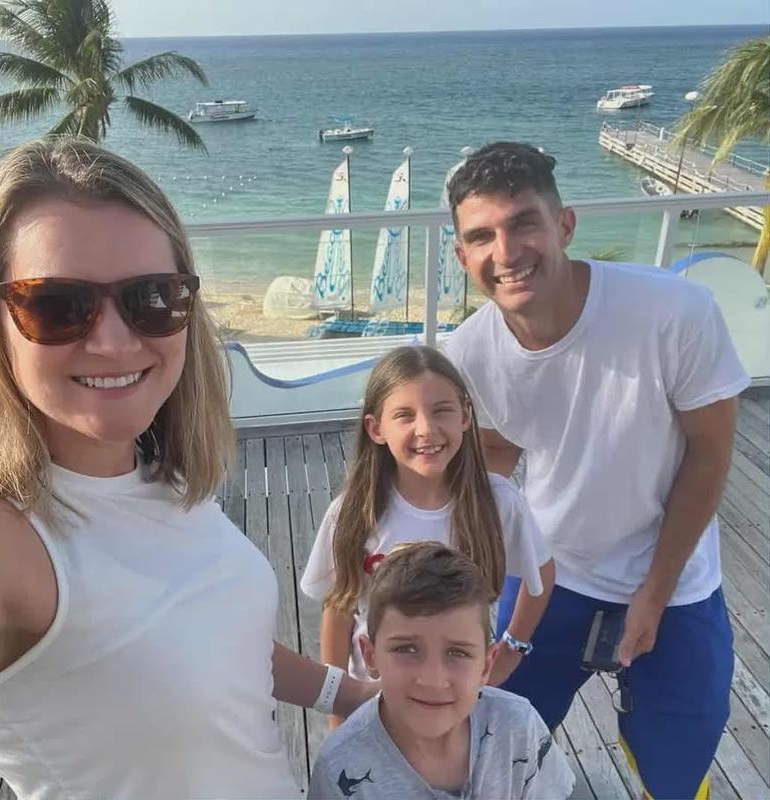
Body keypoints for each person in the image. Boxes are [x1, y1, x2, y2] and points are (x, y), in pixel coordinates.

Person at [0, 137, 375, 800]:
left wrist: (359, 694)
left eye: (151, 298)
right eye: (57, 305)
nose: (112, 340)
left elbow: (223, 646)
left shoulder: (160, 480)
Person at [445, 141, 750, 800]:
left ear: (565, 225)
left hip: (677, 579)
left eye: (524, 222)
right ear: (462, 255)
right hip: (552, 573)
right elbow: (498, 450)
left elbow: (709, 452)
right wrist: (483, 575)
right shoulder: (469, 352)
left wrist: (655, 592)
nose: (507, 251)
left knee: (679, 764)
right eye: (481, 236)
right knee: (488, 737)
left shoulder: (674, 313)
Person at [301, 345, 555, 726]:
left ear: (466, 415)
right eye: (404, 415)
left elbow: (542, 575)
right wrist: (339, 706)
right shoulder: (352, 514)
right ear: (376, 429)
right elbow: (337, 610)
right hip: (376, 693)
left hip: (460, 692)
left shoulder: (499, 501)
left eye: (442, 411)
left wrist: (514, 646)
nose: (426, 429)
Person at [307, 542, 575, 800]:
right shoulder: (339, 768)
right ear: (370, 655)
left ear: (486, 664)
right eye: (407, 649)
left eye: (458, 653)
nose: (432, 680)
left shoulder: (519, 726)